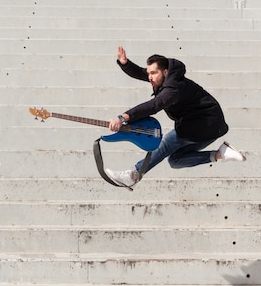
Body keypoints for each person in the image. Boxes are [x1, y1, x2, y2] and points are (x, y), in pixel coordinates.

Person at [105, 46, 246, 188]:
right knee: (175, 160)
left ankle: (133, 175)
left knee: (164, 145)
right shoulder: (164, 79)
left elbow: (154, 105)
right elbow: (142, 73)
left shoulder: (173, 88)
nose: (149, 77)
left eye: (153, 73)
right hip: (212, 128)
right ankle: (222, 153)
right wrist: (125, 64)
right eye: (149, 73)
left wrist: (122, 118)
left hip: (204, 122)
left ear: (165, 72)